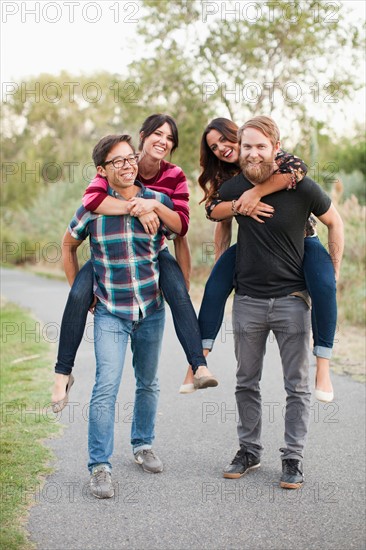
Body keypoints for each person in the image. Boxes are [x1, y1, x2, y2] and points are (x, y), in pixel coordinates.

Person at [209, 116, 343, 488]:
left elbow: (335, 221)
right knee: (245, 382)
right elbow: (216, 218)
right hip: (249, 300)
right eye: (247, 146)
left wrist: (331, 270)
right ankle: (249, 451)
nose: (253, 152)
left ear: (275, 147)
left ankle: (293, 458)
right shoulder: (235, 187)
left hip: (291, 301)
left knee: (297, 386)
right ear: (240, 151)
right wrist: (225, 268)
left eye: (260, 146)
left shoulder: (300, 185)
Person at [51, 114, 217, 412]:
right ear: (143, 136)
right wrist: (135, 208)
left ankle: (198, 366)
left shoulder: (175, 175)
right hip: (110, 250)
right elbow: (92, 202)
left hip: (154, 249)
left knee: (179, 293)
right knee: (77, 293)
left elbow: (180, 229)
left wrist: (151, 204)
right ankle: (62, 373)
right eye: (158, 134)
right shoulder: (122, 162)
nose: (163, 142)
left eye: (170, 138)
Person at [180, 117, 336, 402]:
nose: (221, 150)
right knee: (214, 288)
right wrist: (223, 254)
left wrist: (256, 192)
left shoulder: (271, 156)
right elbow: (217, 215)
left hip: (301, 239)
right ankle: (198, 363)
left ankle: (323, 366)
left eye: (225, 142)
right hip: (253, 244)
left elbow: (297, 171)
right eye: (214, 147)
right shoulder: (228, 178)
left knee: (325, 287)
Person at [63, 133, 176, 498]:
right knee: (106, 385)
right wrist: (80, 294)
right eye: (118, 161)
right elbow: (68, 244)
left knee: (148, 381)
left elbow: (179, 234)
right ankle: (99, 466)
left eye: (131, 158)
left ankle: (142, 444)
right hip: (111, 309)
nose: (128, 166)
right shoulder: (92, 209)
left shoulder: (157, 200)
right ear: (102, 170)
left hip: (151, 308)